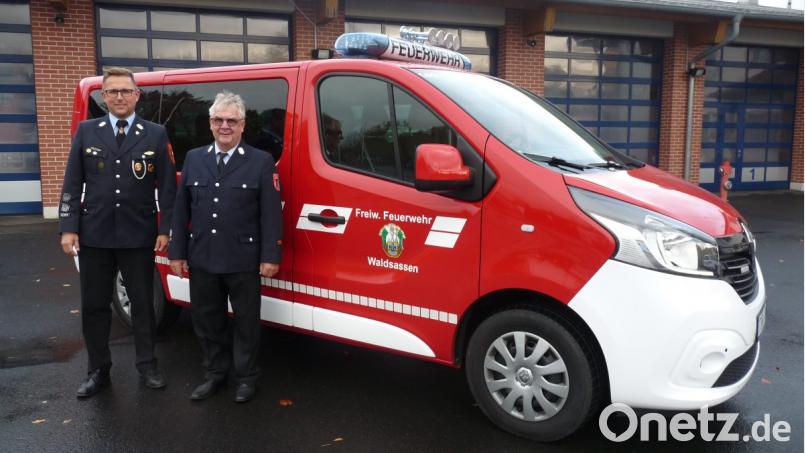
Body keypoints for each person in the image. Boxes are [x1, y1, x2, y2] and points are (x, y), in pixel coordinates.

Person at [59, 67, 177, 398]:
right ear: (104, 96)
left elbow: (167, 188)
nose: (120, 97)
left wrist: (165, 228)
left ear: (137, 95)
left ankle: (147, 364)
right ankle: (98, 370)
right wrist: (68, 228)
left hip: (137, 234)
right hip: (94, 234)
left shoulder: (155, 133)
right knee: (95, 305)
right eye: (113, 92)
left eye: (126, 91)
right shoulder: (86, 131)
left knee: (143, 303)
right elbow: (72, 183)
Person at [168, 91, 282, 403]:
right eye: (219, 120)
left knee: (246, 323)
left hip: (243, 258)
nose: (225, 126)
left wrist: (270, 255)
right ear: (210, 124)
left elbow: (271, 214)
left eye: (232, 120)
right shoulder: (194, 158)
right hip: (202, 255)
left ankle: (246, 378)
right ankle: (215, 374)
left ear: (243, 125)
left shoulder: (261, 161)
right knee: (207, 322)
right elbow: (181, 210)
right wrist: (176, 252)